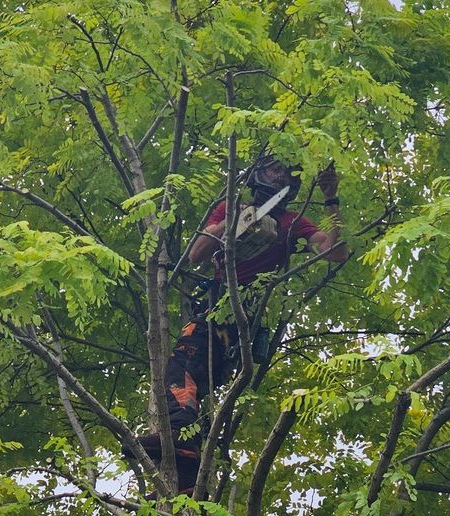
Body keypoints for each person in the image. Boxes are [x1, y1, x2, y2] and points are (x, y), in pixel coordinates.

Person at [128, 157, 347, 492]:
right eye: (274, 170)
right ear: (259, 174)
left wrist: (331, 197)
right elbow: (197, 254)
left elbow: (335, 252)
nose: (278, 176)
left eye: (284, 173)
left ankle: (181, 431)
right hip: (216, 303)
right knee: (194, 378)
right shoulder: (229, 207)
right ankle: (188, 474)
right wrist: (231, 223)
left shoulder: (290, 222)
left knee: (180, 365)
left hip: (242, 314)